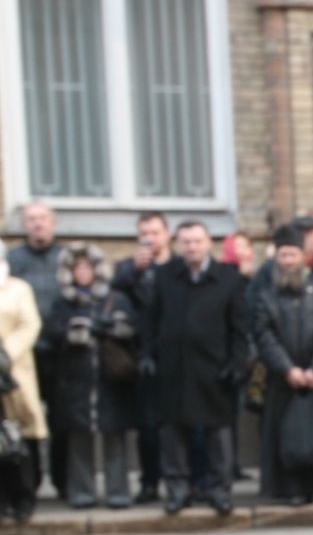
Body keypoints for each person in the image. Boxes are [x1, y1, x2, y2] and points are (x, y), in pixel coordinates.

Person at [144, 221, 248, 515]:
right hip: (173, 369)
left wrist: (237, 363)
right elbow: (151, 320)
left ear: (208, 243)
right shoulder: (165, 277)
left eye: (197, 241)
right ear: (178, 244)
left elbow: (239, 327)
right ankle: (178, 490)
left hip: (214, 368)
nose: (192, 247)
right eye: (186, 242)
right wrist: (148, 355)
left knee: (218, 435)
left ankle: (219, 491)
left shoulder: (228, 278)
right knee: (173, 433)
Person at [254, 225, 313, 505]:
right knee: (287, 433)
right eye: (283, 255)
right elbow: (264, 334)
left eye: (292, 255)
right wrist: (288, 369)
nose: (288, 261)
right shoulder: (265, 292)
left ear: (303, 256)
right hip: (284, 377)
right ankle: (292, 489)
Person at [48, 245, 140, 509]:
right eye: (77, 268)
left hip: (111, 381)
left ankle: (118, 492)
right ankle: (82, 492)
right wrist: (76, 331)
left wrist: (111, 327)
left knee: (114, 438)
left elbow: (131, 330)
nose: (83, 273)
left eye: (87, 268)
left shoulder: (115, 298)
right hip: (76, 383)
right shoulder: (62, 303)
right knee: (79, 440)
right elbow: (52, 333)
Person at [114, 212, 174, 502]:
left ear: (167, 234)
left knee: (183, 424)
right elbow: (117, 298)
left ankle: (186, 479)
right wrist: (136, 274)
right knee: (147, 426)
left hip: (177, 357)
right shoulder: (127, 269)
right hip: (141, 356)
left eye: (155, 232)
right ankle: (150, 481)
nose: (150, 238)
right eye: (144, 233)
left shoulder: (178, 267)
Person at [8, 201, 63, 499]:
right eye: (31, 219)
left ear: (52, 223)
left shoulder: (65, 257)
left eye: (42, 218)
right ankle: (27, 486)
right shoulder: (14, 260)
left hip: (60, 353)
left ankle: (64, 482)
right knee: (23, 422)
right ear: (24, 225)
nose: (38, 224)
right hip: (21, 359)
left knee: (61, 420)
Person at [0, 251, 46, 523]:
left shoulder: (18, 289)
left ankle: (25, 498)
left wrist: (4, 353)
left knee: (21, 438)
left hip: (14, 373)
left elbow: (30, 325)